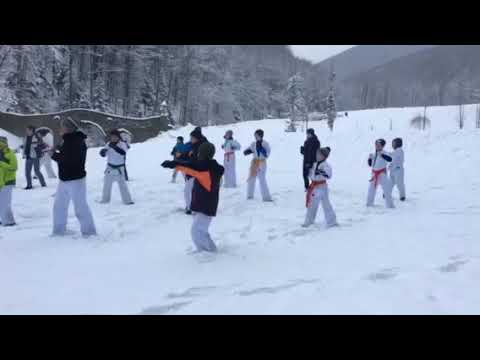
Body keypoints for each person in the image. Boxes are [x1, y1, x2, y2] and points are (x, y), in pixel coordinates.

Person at [162, 142, 224, 253]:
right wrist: (175, 164)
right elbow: (192, 166)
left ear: (202, 154)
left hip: (205, 206)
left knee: (197, 231)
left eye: (200, 152)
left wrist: (174, 164)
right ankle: (209, 250)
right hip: (203, 204)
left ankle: (208, 253)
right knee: (201, 230)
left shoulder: (205, 170)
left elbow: (189, 167)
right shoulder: (210, 167)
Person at [51, 117, 97, 237]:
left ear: (68, 128)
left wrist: (53, 155)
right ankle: (58, 231)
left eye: (62, 127)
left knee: (80, 208)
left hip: (76, 179)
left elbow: (69, 159)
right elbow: (67, 152)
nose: (60, 129)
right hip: (64, 179)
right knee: (59, 207)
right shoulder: (68, 140)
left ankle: (89, 233)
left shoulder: (77, 141)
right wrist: (58, 148)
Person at [303, 147, 337, 228]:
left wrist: (321, 172)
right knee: (312, 205)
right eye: (317, 154)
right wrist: (308, 170)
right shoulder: (314, 164)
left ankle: (332, 221)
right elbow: (311, 174)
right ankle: (309, 221)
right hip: (314, 187)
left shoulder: (326, 165)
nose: (317, 156)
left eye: (319, 155)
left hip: (322, 187)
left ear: (324, 156)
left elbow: (329, 175)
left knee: (326, 204)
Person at [99, 129, 134, 205]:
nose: (113, 138)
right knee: (106, 185)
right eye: (112, 137)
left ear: (118, 137)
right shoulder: (108, 144)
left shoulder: (122, 144)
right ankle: (105, 200)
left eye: (115, 137)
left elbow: (123, 153)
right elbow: (104, 154)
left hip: (119, 168)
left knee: (122, 185)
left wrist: (115, 147)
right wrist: (102, 152)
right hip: (110, 167)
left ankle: (128, 201)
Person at [184, 127, 208, 214]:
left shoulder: (200, 147)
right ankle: (193, 206)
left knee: (189, 190)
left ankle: (192, 207)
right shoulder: (194, 146)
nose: (190, 139)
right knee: (192, 190)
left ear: (196, 138)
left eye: (192, 138)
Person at [244, 129, 272, 201]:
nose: (255, 137)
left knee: (262, 179)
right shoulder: (253, 143)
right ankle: (250, 195)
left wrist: (262, 149)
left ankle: (266, 197)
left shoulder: (265, 143)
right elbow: (251, 149)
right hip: (254, 162)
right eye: (255, 135)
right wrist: (247, 151)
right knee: (251, 179)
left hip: (262, 163)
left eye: (257, 135)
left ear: (261, 136)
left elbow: (267, 154)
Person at [366, 139, 395, 208]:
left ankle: (390, 205)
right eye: (376, 145)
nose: (377, 146)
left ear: (382, 146)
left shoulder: (384, 153)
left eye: (379, 145)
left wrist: (382, 155)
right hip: (374, 174)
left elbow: (390, 159)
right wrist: (369, 159)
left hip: (382, 174)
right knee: (371, 189)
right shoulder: (374, 154)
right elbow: (371, 165)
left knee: (386, 190)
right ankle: (369, 203)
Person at [0, 136, 18, 226]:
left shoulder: (10, 153)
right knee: (2, 203)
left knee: (5, 203)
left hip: (8, 182)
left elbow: (14, 167)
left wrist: (2, 163)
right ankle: (3, 219)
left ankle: (9, 222)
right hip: (1, 182)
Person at [22, 125, 46, 189]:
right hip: (28, 156)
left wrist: (36, 145)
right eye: (26, 130)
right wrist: (24, 153)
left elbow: (42, 144)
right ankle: (29, 185)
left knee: (37, 171)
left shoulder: (36, 136)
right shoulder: (25, 137)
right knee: (27, 172)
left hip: (35, 156)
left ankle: (43, 184)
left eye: (28, 130)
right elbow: (25, 146)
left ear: (32, 130)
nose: (26, 131)